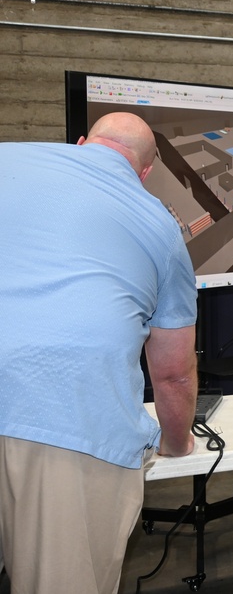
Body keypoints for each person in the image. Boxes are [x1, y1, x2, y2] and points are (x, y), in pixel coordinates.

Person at [0, 112, 199, 594]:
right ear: (146, 172)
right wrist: (177, 443)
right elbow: (172, 373)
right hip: (62, 419)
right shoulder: (160, 226)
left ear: (82, 142)